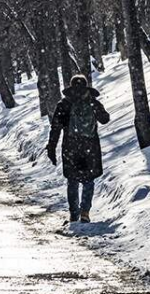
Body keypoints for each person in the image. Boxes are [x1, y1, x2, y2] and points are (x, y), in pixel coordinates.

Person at [46, 75, 110, 223]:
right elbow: (105, 119)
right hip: (90, 147)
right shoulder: (92, 102)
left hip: (71, 147)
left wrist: (51, 146)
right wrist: (94, 107)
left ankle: (74, 213)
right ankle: (85, 212)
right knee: (88, 180)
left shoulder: (64, 104)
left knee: (72, 180)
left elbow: (56, 127)